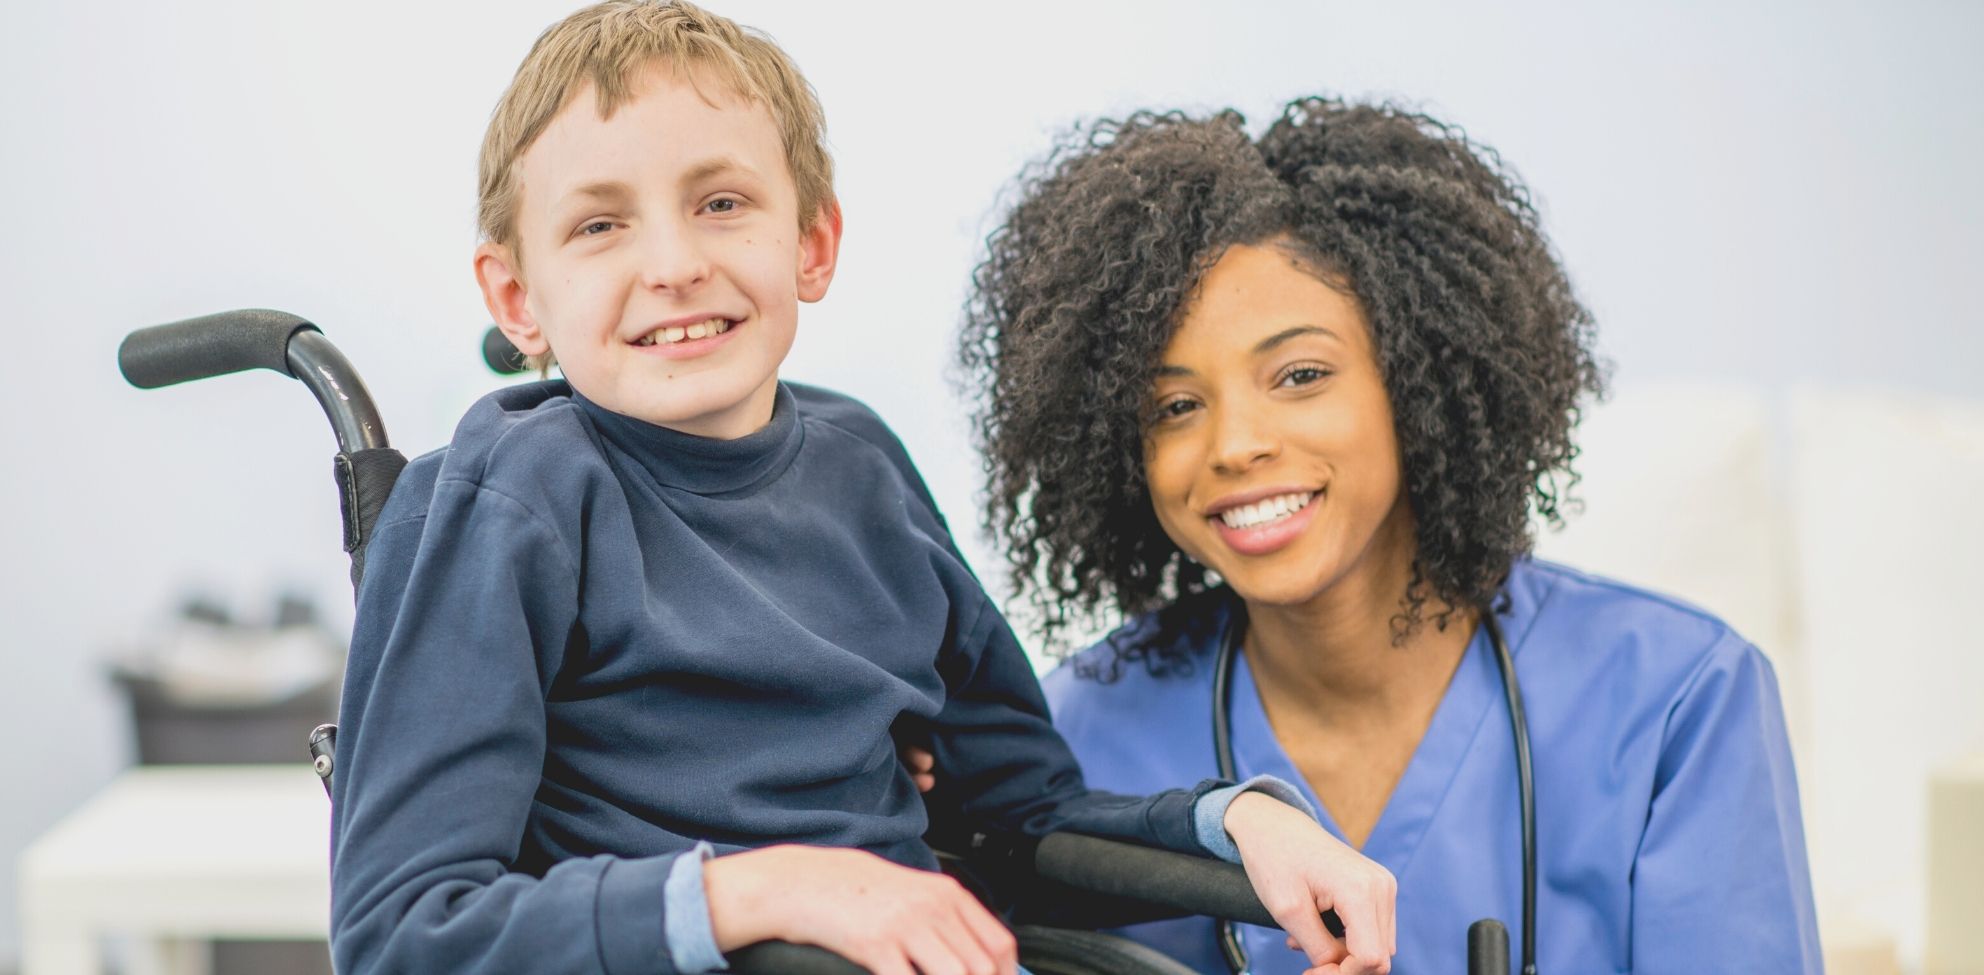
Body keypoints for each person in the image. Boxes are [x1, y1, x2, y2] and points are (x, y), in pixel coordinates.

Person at [326, 5, 1399, 975]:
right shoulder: (506, 502)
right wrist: (763, 887)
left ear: (812, 243)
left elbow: (1022, 821)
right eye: (600, 225)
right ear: (518, 297)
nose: (674, 264)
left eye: (722, 202)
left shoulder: (863, 469)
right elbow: (402, 933)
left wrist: (1244, 826)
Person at [955, 100, 1824, 973]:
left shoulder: (1676, 702)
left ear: (1418, 377)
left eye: (1299, 375)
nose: (1233, 445)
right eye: (1175, 406)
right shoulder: (1072, 739)